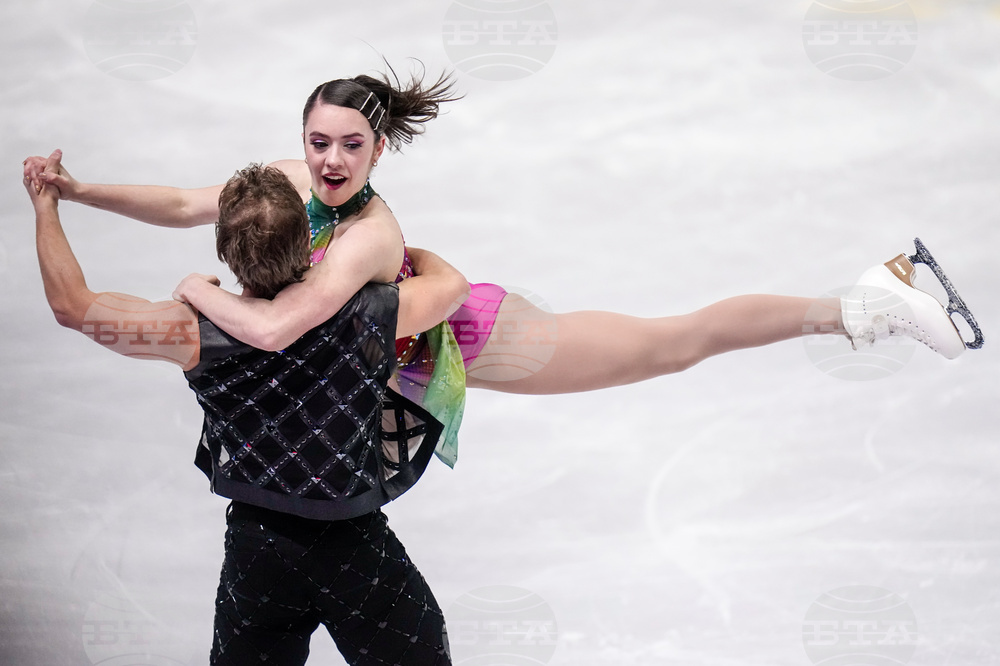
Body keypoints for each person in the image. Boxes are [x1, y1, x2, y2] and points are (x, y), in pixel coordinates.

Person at [24, 69, 977, 464]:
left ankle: (862, 303)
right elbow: (191, 203)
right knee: (667, 344)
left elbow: (282, 326)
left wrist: (193, 291)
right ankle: (863, 299)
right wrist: (81, 190)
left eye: (349, 146)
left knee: (671, 345)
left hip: (465, 336)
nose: (327, 162)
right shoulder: (285, 178)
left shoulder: (367, 234)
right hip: (385, 348)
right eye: (317, 141)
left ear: (377, 151)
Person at [26, 159, 465, 665]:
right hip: (354, 550)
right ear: (308, 241)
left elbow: (72, 306)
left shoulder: (190, 331)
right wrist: (387, 254)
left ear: (224, 250)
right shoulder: (369, 312)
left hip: (258, 553)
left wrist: (46, 205)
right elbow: (451, 285)